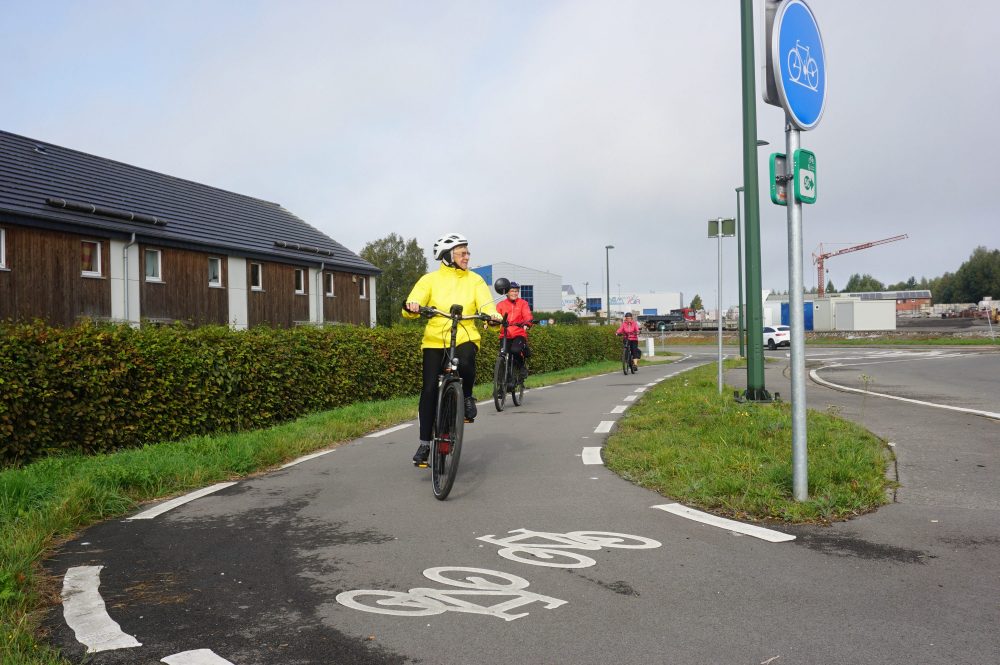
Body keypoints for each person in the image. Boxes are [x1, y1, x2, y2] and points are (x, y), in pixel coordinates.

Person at [403, 232, 499, 467]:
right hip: (435, 339)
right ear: (448, 255)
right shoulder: (429, 280)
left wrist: (493, 317)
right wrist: (413, 306)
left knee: (466, 361)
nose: (467, 257)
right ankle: (425, 443)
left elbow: (487, 305)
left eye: (468, 253)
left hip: (465, 334)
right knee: (428, 390)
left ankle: (466, 397)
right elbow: (412, 302)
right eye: (462, 253)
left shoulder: (475, 280)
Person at [495, 281, 533, 376]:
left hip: (519, 333)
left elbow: (527, 315)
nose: (515, 293)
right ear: (507, 292)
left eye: (516, 291)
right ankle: (502, 383)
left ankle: (521, 367)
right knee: (503, 356)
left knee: (515, 351)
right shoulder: (501, 305)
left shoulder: (523, 303)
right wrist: (489, 322)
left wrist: (527, 323)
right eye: (512, 291)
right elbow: (495, 316)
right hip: (505, 334)